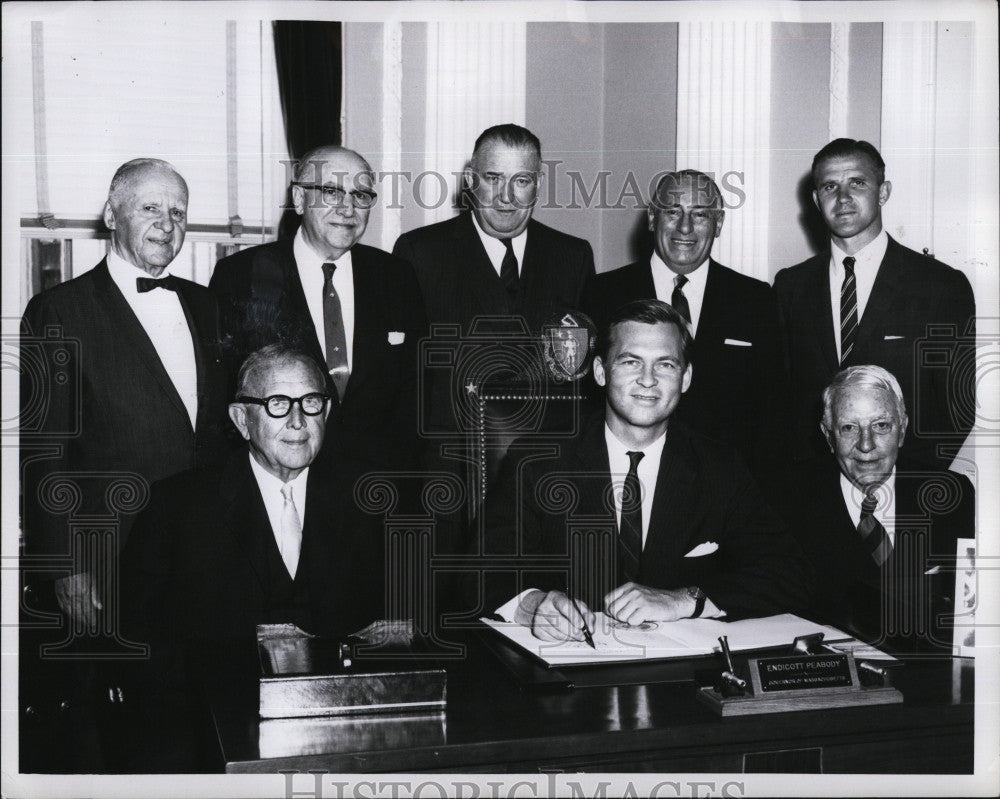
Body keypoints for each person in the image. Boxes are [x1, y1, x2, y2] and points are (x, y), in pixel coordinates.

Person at [471, 300, 810, 642]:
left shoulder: (719, 468)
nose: (648, 380)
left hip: (682, 677)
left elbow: (788, 572)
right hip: (567, 670)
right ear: (601, 372)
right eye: (631, 362)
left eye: (665, 365)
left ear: (686, 377)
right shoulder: (538, 461)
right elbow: (477, 571)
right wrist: (532, 605)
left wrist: (685, 599)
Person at [119, 345, 387, 769]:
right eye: (278, 404)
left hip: (342, 742)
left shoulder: (371, 502)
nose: (298, 421)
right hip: (212, 747)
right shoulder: (177, 507)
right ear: (242, 420)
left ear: (327, 413)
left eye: (311, 403)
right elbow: (140, 647)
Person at [20, 157, 229, 629]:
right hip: (110, 557)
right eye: (150, 207)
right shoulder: (58, 311)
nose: (166, 224)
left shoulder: (205, 303)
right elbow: (44, 452)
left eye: (178, 212)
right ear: (112, 216)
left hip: (204, 552)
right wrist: (65, 566)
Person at [209, 145, 426, 473]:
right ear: (298, 199)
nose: (348, 208)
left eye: (361, 195)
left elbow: (417, 392)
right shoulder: (241, 275)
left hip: (376, 491)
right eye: (331, 192)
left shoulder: (396, 276)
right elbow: (222, 395)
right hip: (279, 483)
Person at [774, 138, 976, 467]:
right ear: (816, 199)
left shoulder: (939, 286)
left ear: (883, 192)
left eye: (857, 183)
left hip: (903, 488)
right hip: (813, 495)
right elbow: (782, 400)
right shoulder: (790, 286)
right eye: (829, 186)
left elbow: (957, 408)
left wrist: (905, 483)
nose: (842, 199)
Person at [585, 169, 787, 476]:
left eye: (700, 214)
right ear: (652, 219)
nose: (685, 227)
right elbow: (587, 402)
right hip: (626, 474)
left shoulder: (756, 300)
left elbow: (773, 413)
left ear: (718, 224)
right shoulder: (602, 294)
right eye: (672, 211)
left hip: (725, 484)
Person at [771, 365, 975, 651]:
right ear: (828, 436)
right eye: (849, 427)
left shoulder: (952, 495)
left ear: (902, 429)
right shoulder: (785, 502)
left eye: (881, 426)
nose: (866, 445)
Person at [392, 123, 595, 338]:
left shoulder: (573, 257)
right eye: (493, 178)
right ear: (470, 180)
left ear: (539, 183)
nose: (507, 196)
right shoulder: (420, 254)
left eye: (522, 180)